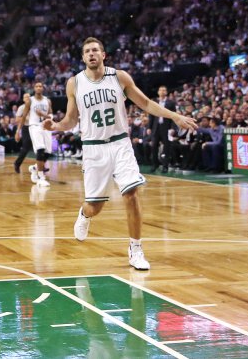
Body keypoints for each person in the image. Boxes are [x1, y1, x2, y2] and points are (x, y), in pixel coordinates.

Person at [43, 37, 197, 270]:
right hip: (94, 148)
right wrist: (55, 127)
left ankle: (136, 249)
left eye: (95, 50)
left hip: (120, 144)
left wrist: (174, 116)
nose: (91, 54)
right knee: (94, 207)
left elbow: (145, 103)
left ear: (103, 55)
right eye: (87, 51)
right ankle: (84, 215)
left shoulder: (119, 77)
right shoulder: (74, 83)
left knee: (131, 194)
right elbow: (71, 119)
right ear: (83, 58)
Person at [26, 82, 54, 188]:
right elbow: (24, 115)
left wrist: (43, 115)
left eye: (40, 86)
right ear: (34, 88)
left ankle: (34, 168)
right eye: (36, 86)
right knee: (40, 149)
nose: (38, 87)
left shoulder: (47, 100)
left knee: (48, 152)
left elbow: (51, 115)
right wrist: (18, 131)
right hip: (34, 126)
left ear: (43, 88)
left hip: (45, 126)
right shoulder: (30, 100)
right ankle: (41, 177)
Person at [147, 86, 176, 173]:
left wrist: (172, 128)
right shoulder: (154, 102)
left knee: (166, 147)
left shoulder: (171, 103)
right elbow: (151, 115)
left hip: (166, 127)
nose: (162, 91)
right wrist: (149, 127)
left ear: (166, 92)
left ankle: (165, 166)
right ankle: (154, 164)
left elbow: (173, 116)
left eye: (164, 90)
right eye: (161, 90)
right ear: (158, 92)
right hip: (156, 127)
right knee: (154, 147)